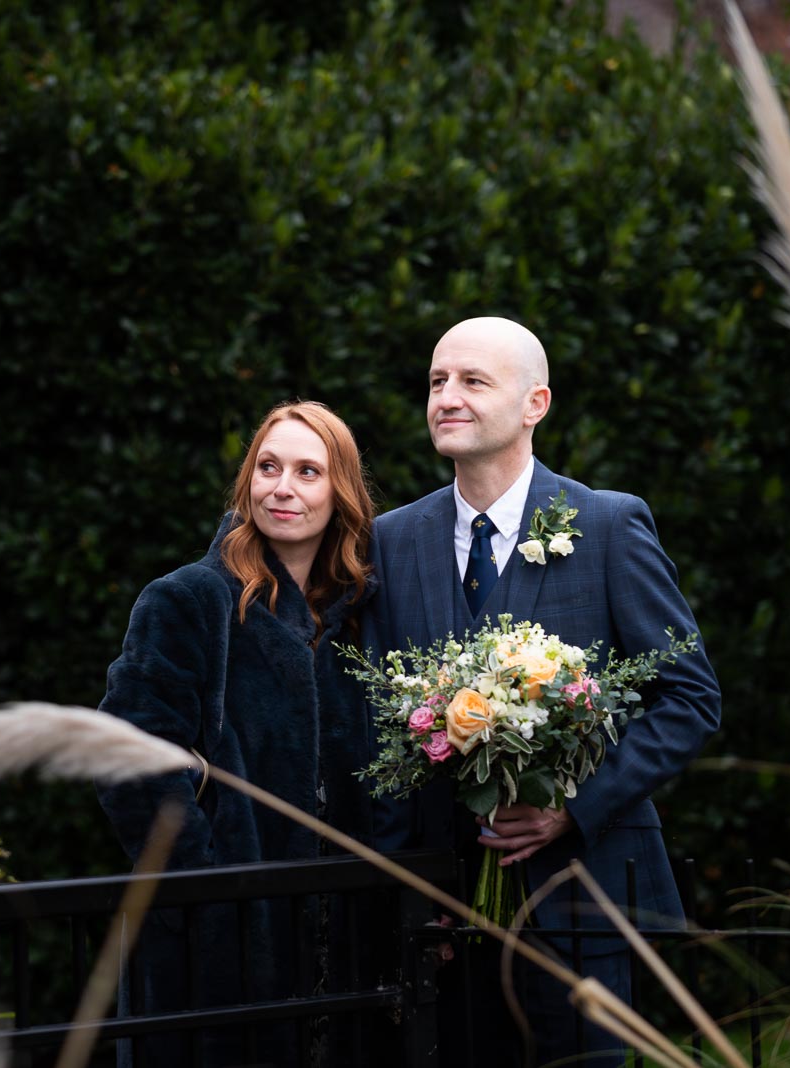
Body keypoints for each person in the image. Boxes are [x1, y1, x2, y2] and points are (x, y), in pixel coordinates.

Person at [366, 316, 721, 1067]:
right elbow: (378, 726)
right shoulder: (392, 539)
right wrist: (409, 895)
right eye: (436, 382)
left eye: (472, 381)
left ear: (535, 404)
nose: (447, 398)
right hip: (448, 916)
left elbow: (688, 698)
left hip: (582, 906)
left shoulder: (607, 524)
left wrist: (572, 810)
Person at [97, 399, 378, 1067]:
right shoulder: (190, 599)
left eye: (308, 472)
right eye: (268, 466)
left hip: (345, 952)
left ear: (340, 494)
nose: (282, 487)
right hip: (217, 947)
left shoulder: (360, 619)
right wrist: (210, 894)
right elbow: (130, 762)